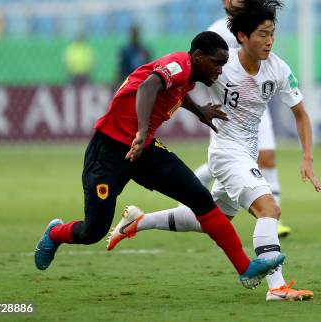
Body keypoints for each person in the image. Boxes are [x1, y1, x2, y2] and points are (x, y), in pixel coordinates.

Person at [108, 0, 321, 302]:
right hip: (225, 152)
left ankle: (139, 221)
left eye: (272, 33)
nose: (269, 40)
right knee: (269, 209)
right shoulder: (221, 64)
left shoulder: (278, 70)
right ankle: (277, 288)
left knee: (211, 218)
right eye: (263, 34)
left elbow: (301, 114)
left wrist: (307, 157)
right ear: (242, 36)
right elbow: (181, 81)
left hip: (245, 154)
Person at [34, 31, 285, 290]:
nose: (220, 71)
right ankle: (55, 234)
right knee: (93, 232)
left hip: (144, 151)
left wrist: (199, 112)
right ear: (198, 56)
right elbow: (149, 85)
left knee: (200, 198)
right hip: (108, 151)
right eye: (217, 63)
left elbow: (176, 91)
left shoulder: (188, 77)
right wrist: (141, 132)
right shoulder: (179, 63)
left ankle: (245, 268)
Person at [192, 0, 292, 238]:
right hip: (229, 107)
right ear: (224, 1)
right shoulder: (216, 31)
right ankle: (267, 212)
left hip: (257, 104)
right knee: (230, 161)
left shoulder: (260, 30)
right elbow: (201, 64)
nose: (237, 0)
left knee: (267, 156)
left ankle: (272, 215)